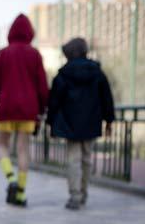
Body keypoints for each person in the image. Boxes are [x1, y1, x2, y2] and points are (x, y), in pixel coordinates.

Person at [0, 14, 49, 207]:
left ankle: (10, 178)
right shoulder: (35, 54)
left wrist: (3, 92)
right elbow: (42, 87)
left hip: (6, 108)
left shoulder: (1, 54)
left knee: (1, 144)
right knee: (23, 149)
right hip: (28, 110)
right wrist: (42, 107)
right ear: (30, 33)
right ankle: (21, 194)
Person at [46, 38, 115, 210]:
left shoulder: (63, 75)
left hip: (70, 124)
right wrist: (109, 120)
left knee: (73, 160)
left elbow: (54, 102)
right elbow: (107, 98)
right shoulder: (97, 73)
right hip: (91, 122)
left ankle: (75, 195)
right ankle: (83, 193)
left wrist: (51, 123)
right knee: (86, 159)